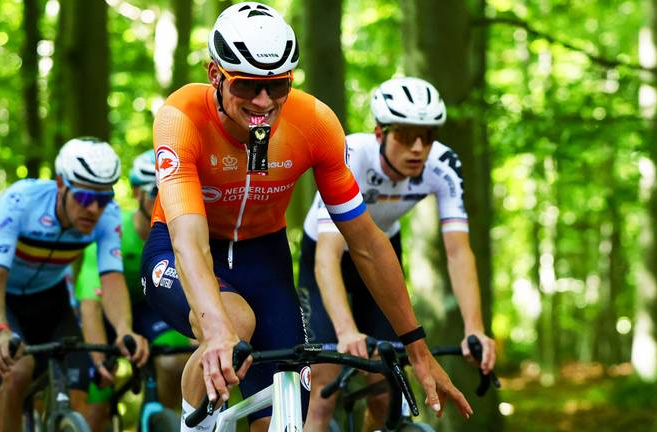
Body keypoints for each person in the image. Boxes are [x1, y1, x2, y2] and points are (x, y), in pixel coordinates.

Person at [140, 3, 472, 431]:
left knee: (285, 413)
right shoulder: (181, 116)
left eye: (278, 87)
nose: (263, 102)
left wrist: (418, 349)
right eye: (247, 86)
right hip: (181, 246)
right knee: (232, 323)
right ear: (215, 75)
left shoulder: (314, 122)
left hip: (266, 258)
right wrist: (216, 329)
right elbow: (190, 240)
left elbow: (367, 242)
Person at [298, 77, 497, 431]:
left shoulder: (443, 164)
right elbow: (327, 255)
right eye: (405, 135)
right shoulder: (350, 155)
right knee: (322, 394)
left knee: (387, 390)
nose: (418, 147)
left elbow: (458, 251)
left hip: (381, 252)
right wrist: (345, 332)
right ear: (380, 133)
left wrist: (475, 329)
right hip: (328, 254)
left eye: (428, 135)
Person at [0, 137, 150, 432]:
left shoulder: (108, 216)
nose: (94, 209)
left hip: (50, 297)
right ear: (61, 184)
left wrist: (124, 329)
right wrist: (0, 332)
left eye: (103, 199)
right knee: (17, 371)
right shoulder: (19, 203)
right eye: (84, 197)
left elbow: (112, 279)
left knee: (80, 378)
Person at [75, 150, 192, 430]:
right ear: (137, 192)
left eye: (171, 192)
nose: (163, 202)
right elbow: (90, 304)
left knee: (176, 362)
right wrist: (99, 360)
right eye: (155, 192)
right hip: (106, 312)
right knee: (96, 403)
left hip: (151, 309)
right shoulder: (114, 233)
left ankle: (161, 417)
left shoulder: (180, 234)